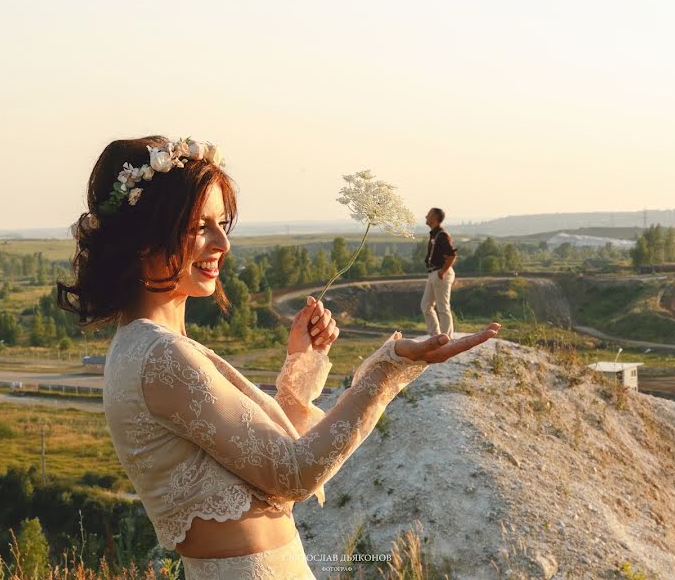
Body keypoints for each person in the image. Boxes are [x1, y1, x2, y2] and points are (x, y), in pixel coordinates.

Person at [57, 136, 500, 579]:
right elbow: (295, 474)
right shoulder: (161, 356)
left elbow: (275, 471)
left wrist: (301, 364)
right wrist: (386, 369)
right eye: (198, 227)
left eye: (222, 224)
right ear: (143, 240)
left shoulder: (150, 349)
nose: (222, 244)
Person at [421, 207, 458, 337]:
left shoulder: (442, 235)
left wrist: (442, 271)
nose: (426, 216)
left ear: (435, 218)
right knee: (426, 305)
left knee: (443, 306)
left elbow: (451, 254)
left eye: (428, 214)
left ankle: (447, 337)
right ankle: (436, 336)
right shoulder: (435, 234)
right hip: (433, 273)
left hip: (440, 273)